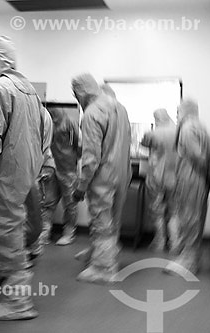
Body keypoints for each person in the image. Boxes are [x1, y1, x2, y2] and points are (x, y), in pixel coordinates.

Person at [0, 36, 44, 320]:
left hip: (5, 174)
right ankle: (16, 296)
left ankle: (18, 304)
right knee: (13, 231)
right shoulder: (29, 90)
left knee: (6, 234)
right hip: (24, 173)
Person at [72, 76, 131, 284]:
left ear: (81, 92)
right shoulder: (120, 108)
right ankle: (104, 253)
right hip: (122, 172)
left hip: (103, 176)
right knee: (114, 219)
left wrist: (80, 187)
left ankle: (104, 268)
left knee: (101, 219)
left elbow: (90, 159)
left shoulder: (92, 113)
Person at [165, 99, 210, 275]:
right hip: (199, 179)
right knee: (195, 217)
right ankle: (191, 256)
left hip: (191, 177)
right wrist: (209, 177)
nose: (177, 115)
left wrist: (203, 174)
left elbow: (199, 156)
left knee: (190, 218)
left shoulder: (187, 129)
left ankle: (189, 261)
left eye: (178, 111)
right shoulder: (202, 127)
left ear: (186, 111)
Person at [140, 109, 178, 252]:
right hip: (174, 177)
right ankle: (175, 243)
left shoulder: (153, 133)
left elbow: (143, 143)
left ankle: (160, 242)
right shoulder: (178, 130)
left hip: (157, 176)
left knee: (157, 210)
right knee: (174, 211)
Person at [29, 107, 58, 257]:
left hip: (41, 167)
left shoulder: (37, 114)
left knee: (39, 208)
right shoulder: (43, 114)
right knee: (40, 207)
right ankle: (37, 243)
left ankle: (36, 243)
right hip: (45, 166)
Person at [49, 106, 81, 246]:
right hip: (52, 166)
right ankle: (43, 232)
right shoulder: (49, 123)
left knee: (70, 203)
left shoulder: (69, 123)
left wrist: (74, 160)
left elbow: (79, 144)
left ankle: (69, 232)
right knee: (48, 201)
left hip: (68, 168)